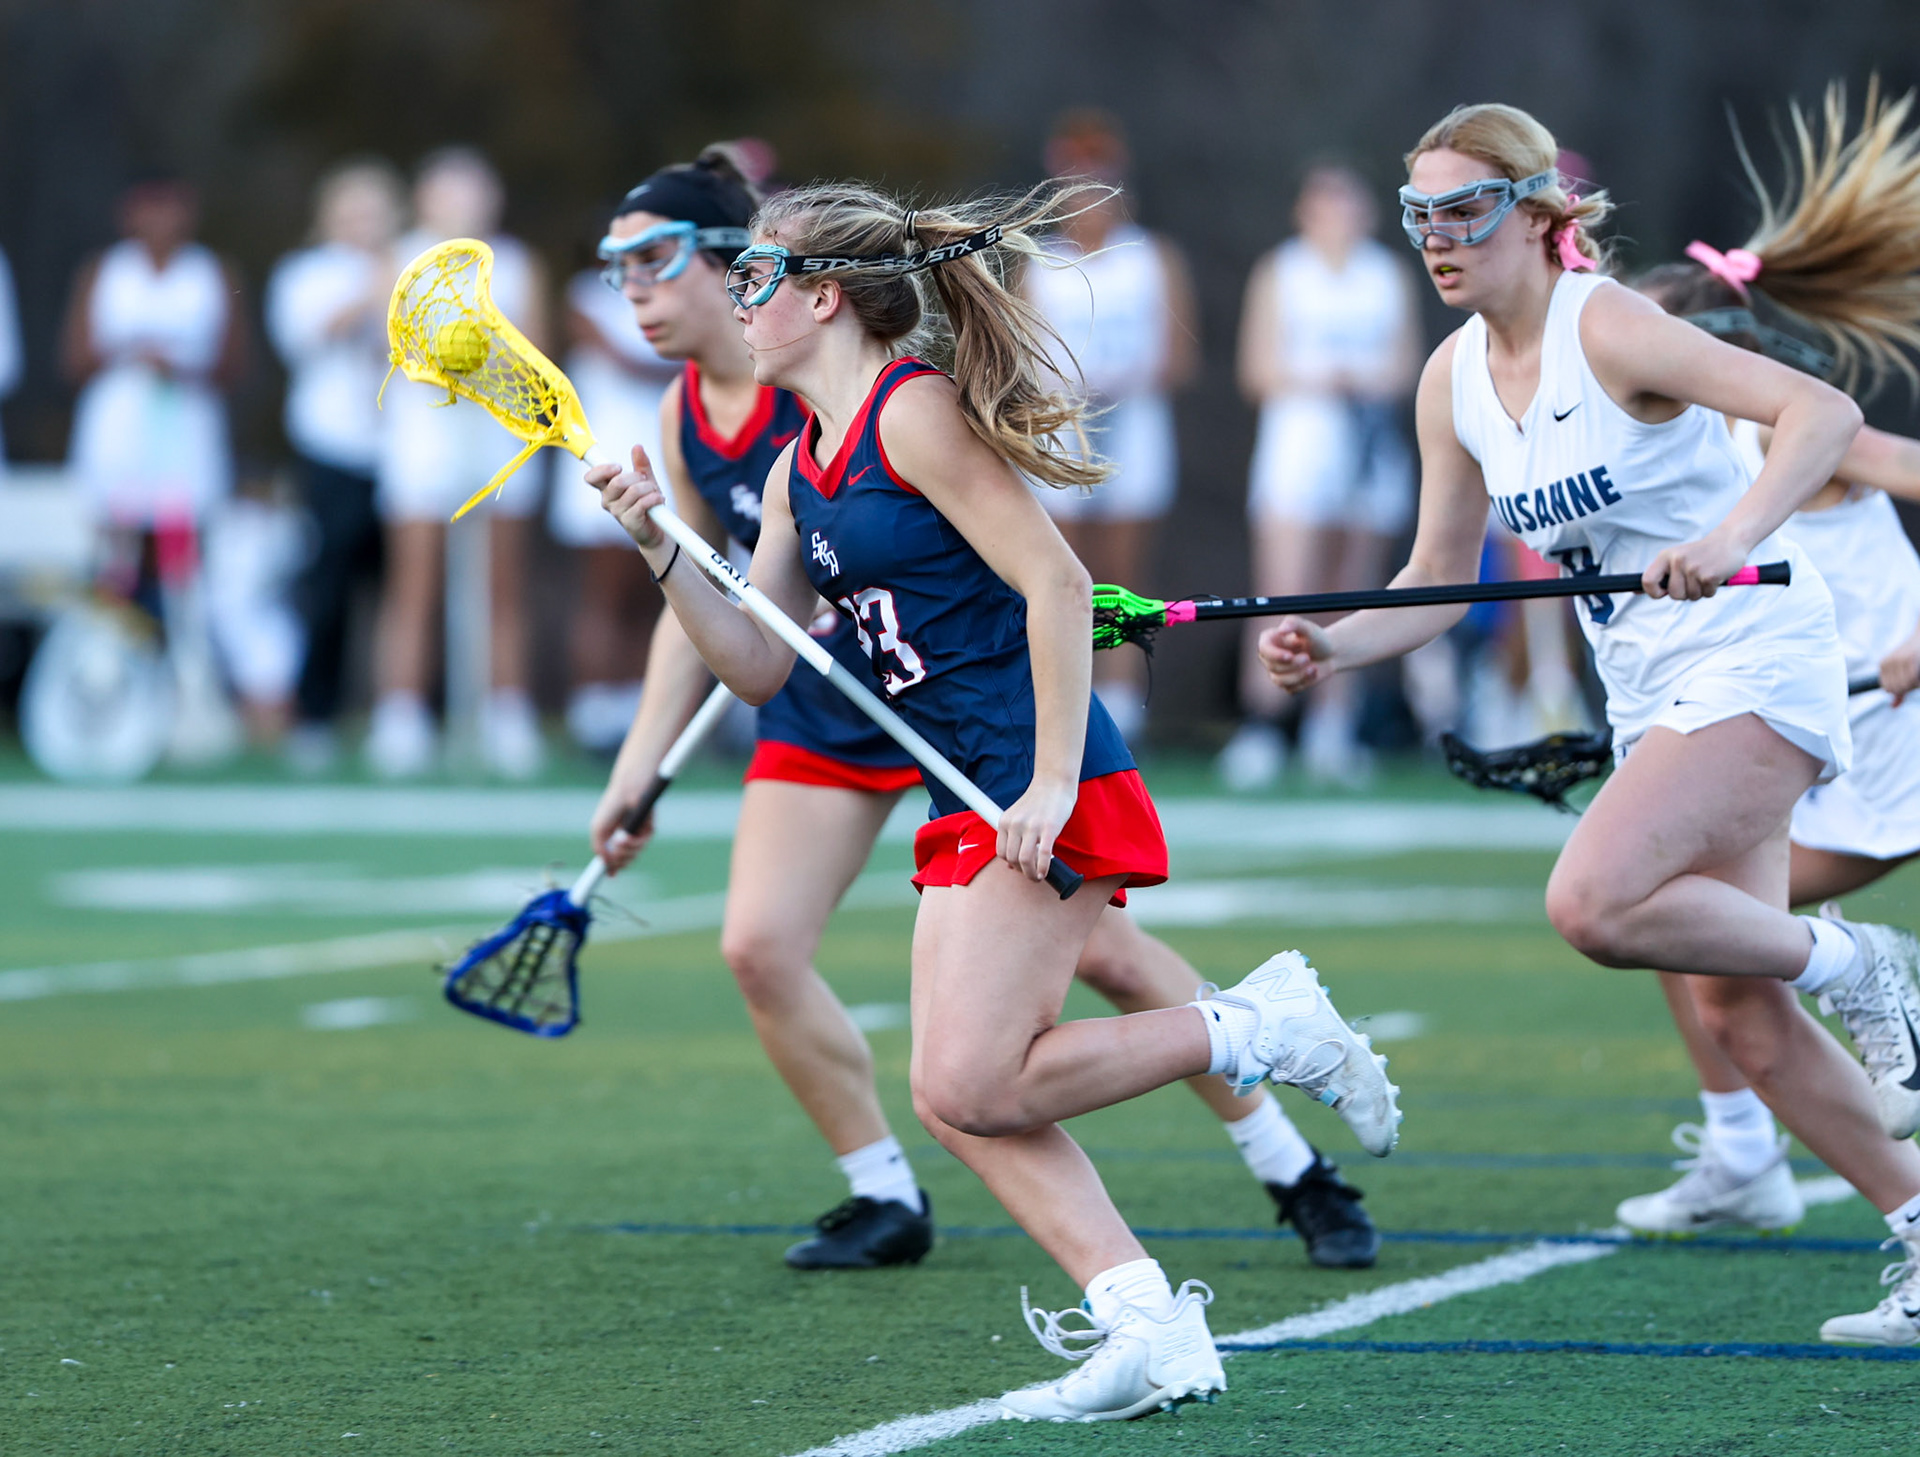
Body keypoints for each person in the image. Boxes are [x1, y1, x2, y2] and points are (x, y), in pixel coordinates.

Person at [591, 176, 1399, 1422]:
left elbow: (1058, 585)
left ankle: (1252, 1026)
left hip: (1031, 775)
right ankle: (1145, 1319)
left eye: (755, 275)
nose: (736, 298)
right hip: (959, 786)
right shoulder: (800, 468)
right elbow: (757, 665)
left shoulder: (911, 413)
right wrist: (660, 544)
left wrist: (1054, 780)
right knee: (956, 1097)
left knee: (975, 1083)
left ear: (825, 295)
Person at [1258, 100, 1920, 1346]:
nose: (1437, 236)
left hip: (1755, 654)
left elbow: (1820, 416)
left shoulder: (1607, 323)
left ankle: (1863, 964)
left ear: (1537, 213)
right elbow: (1434, 575)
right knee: (1737, 1011)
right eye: (1418, 215)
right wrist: (1336, 645)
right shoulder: (1451, 378)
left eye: (1465, 210)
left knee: (1593, 901)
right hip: (1650, 687)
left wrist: (1728, 536)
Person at [1596, 90, 1920, 1293]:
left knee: (1680, 919)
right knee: (1690, 937)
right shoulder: (1680, 469)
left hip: (1888, 742)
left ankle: (1763, 1131)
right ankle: (1747, 1152)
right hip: (1820, 732)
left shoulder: (1794, 443)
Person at [1221, 162, 1422, 789]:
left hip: (1367, 446)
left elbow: (1405, 364)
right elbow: (1257, 370)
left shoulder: (1385, 275)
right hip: (1300, 446)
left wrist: (1361, 381)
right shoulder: (1281, 271)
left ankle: (1333, 727)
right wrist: (1324, 378)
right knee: (1283, 588)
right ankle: (1264, 722)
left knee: (1352, 588)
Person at [369, 147, 549, 779]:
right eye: (449, 192)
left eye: (475, 192)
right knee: (413, 584)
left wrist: (487, 356)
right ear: (424, 199)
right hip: (423, 438)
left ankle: (508, 716)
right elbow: (383, 347)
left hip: (500, 438)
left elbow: (537, 355)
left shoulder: (517, 263)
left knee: (504, 584)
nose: (464, 205)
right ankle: (400, 717)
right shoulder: (400, 259)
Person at [1020, 109, 1198, 743]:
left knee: (1124, 570)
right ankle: (1065, 697)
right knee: (1061, 568)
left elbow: (1179, 356)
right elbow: (1024, 356)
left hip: (1135, 426)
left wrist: (1121, 379)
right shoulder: (1040, 263)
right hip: (1062, 429)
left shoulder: (1152, 258)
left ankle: (1122, 701)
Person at [266, 158, 408, 771]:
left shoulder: (408, 267)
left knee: (400, 589)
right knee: (329, 583)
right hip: (331, 446)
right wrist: (375, 288)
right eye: (352, 211)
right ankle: (315, 714)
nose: (363, 223)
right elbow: (307, 337)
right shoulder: (306, 274)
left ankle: (399, 714)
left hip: (400, 448)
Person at [545, 247, 678, 755]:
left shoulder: (671, 297)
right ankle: (593, 708)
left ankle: (634, 707)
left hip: (659, 458)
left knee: (655, 590)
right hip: (604, 457)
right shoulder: (586, 296)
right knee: (604, 595)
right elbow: (626, 361)